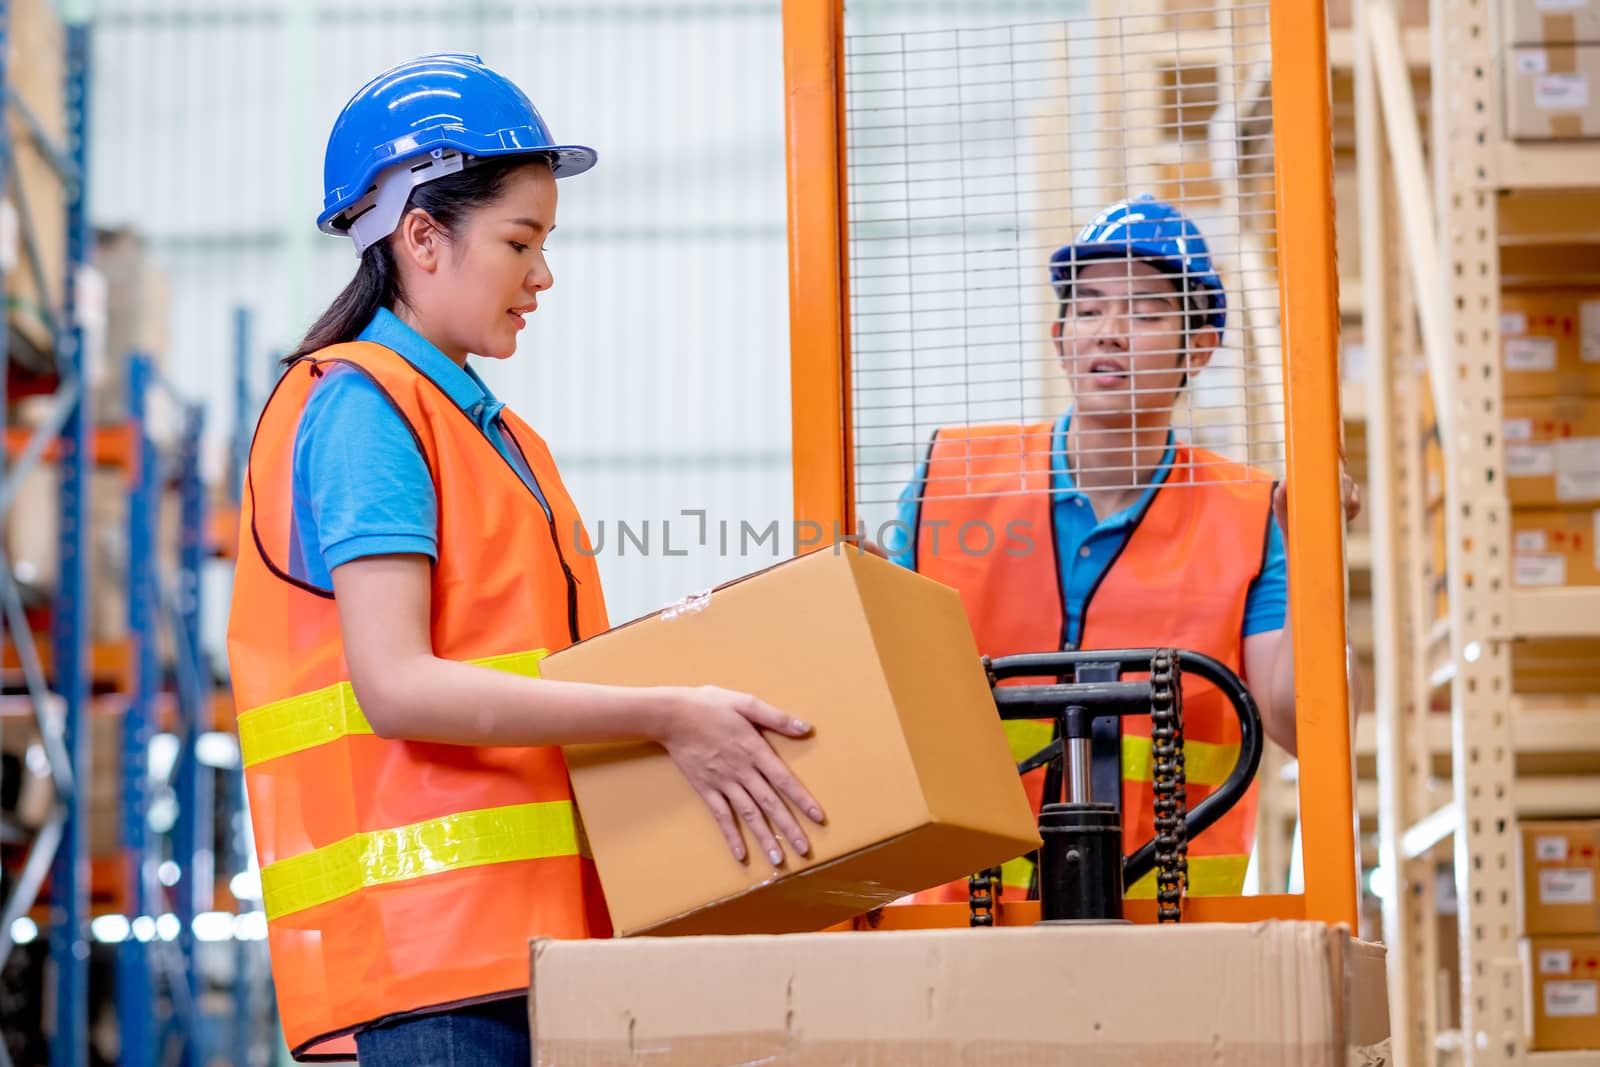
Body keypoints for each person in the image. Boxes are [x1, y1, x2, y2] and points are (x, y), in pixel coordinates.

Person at [225, 53, 824, 1064]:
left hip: (521, 952)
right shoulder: (366, 411)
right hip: (437, 969)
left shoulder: (490, 431)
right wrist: (668, 713)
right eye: (519, 240)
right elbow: (397, 684)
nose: (541, 275)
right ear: (421, 236)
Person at [887, 194, 1358, 905]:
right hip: (962, 923)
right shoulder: (947, 483)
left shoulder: (1251, 517)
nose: (1108, 332)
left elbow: (1304, 725)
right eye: (1089, 308)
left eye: (1142, 312)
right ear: (1058, 335)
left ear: (1197, 348)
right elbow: (881, 691)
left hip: (1164, 926)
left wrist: (1315, 552)